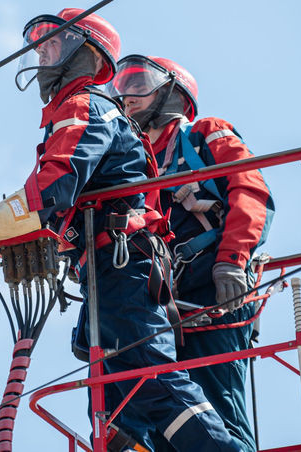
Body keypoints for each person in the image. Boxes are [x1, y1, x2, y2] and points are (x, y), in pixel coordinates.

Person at [0, 10, 241, 451]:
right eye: (38, 44)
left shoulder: (87, 106)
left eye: (51, 43)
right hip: (104, 274)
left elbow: (49, 192)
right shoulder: (72, 112)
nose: (41, 53)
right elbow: (52, 220)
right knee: (112, 402)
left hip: (126, 271)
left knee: (151, 379)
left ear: (84, 52)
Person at [108, 55, 274, 452]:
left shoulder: (204, 135)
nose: (126, 97)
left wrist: (231, 262)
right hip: (159, 307)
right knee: (166, 421)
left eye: (138, 85)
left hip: (212, 295)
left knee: (217, 409)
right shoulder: (134, 161)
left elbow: (250, 192)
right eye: (121, 88)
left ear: (172, 93)